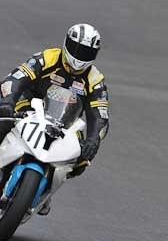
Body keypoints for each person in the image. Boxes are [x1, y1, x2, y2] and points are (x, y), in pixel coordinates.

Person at [0, 24, 109, 214]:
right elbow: (15, 78)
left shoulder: (95, 79)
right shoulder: (47, 57)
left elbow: (100, 114)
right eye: (77, 49)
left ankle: (44, 190)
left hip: (66, 122)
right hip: (30, 107)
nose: (80, 55)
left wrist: (94, 139)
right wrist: (8, 102)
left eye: (86, 52)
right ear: (66, 43)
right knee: (3, 122)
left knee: (83, 158)